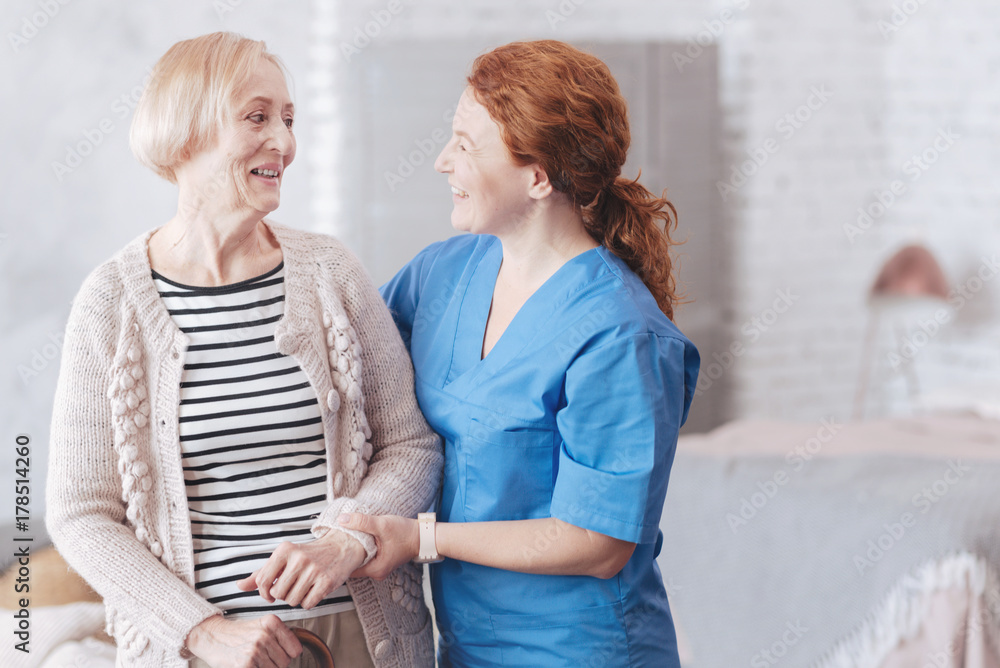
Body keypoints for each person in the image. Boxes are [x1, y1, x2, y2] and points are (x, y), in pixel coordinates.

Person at [45, 32, 441, 668]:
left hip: (365, 637)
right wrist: (199, 630)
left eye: (289, 120)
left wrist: (348, 537)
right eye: (257, 117)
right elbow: (81, 514)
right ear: (185, 131)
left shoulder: (331, 273)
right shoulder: (110, 303)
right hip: (200, 650)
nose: (283, 142)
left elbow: (412, 446)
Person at [337, 40, 701, 667]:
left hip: (581, 651)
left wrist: (417, 537)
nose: (442, 160)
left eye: (466, 144)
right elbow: (343, 355)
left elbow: (598, 541)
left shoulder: (621, 334)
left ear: (537, 177)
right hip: (467, 648)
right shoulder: (442, 275)